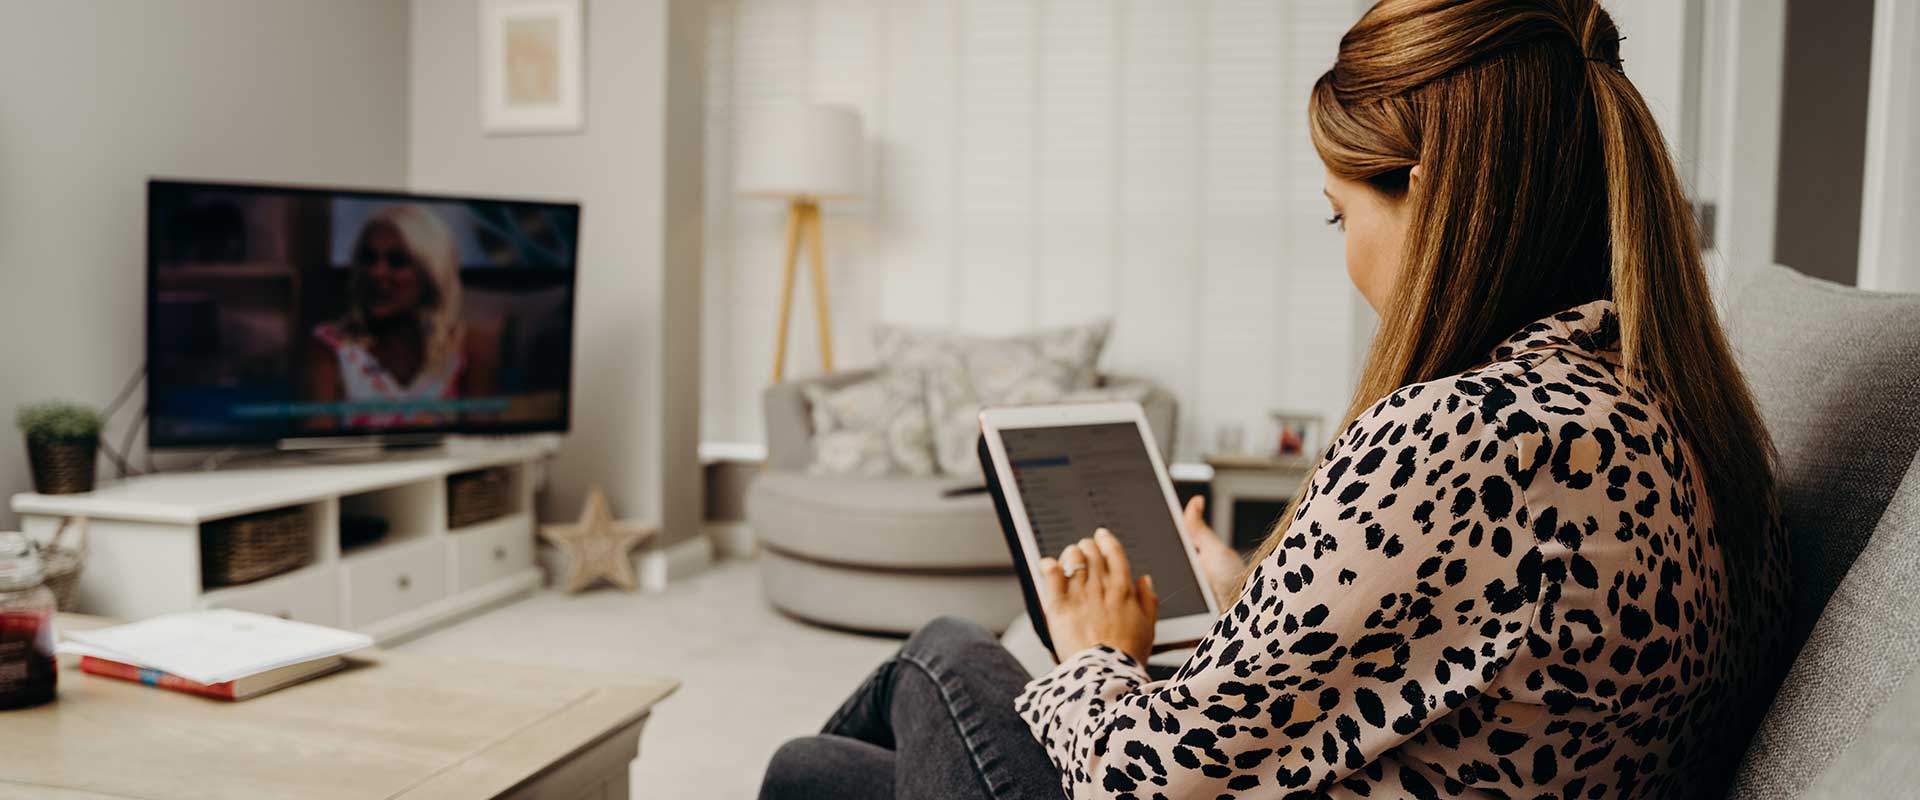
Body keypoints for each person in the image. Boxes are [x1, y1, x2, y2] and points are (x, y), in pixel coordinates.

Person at [758, 0, 1791, 797]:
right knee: (813, 772)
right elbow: (1462, 660)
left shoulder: (1470, 434)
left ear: (1428, 198)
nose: (1345, 252)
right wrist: (1265, 589)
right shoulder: (1657, 409)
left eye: (1339, 214)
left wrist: (1098, 653)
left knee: (940, 650)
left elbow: (1147, 777)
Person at [306, 204, 497, 429]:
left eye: (397, 261)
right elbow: (314, 447)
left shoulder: (470, 346)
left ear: (430, 274)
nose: (377, 272)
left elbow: (482, 441)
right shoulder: (328, 348)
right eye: (368, 258)